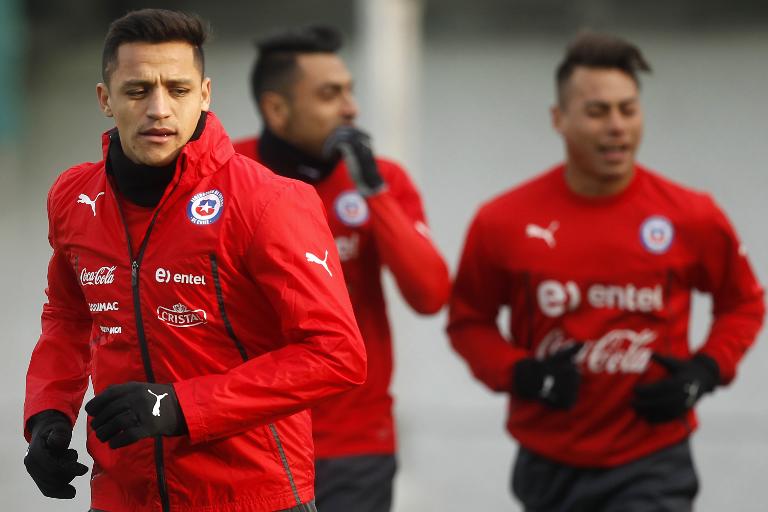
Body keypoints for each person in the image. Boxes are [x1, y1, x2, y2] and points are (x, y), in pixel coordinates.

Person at [23, 9, 367, 512]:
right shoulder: (72, 196)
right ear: (105, 99)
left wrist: (182, 406)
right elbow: (68, 318)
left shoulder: (268, 201)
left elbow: (336, 354)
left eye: (178, 89)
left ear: (204, 94)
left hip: (250, 497)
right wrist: (48, 415)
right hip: (122, 496)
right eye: (138, 90)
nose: (159, 109)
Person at [447, 32, 764, 511]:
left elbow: (743, 303)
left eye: (628, 110)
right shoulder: (503, 221)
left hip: (653, 459)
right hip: (548, 460)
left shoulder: (691, 215)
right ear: (558, 119)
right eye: (597, 112)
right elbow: (468, 321)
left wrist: (706, 370)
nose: (617, 127)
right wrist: (522, 375)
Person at [233, 25, 450, 512]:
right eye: (330, 95)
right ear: (276, 109)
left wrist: (375, 194)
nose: (351, 108)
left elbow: (430, 295)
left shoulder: (381, 180)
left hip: (354, 444)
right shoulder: (225, 177)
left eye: (349, 91)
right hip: (251, 439)